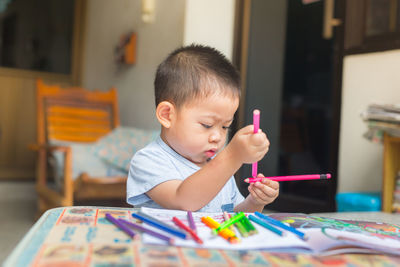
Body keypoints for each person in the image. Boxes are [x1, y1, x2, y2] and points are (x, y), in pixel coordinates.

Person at [126, 44, 279, 213]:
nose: (218, 137)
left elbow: (234, 216)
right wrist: (233, 155)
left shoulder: (219, 165)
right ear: (167, 115)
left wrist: (255, 202)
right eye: (207, 125)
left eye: (225, 126)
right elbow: (183, 201)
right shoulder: (149, 161)